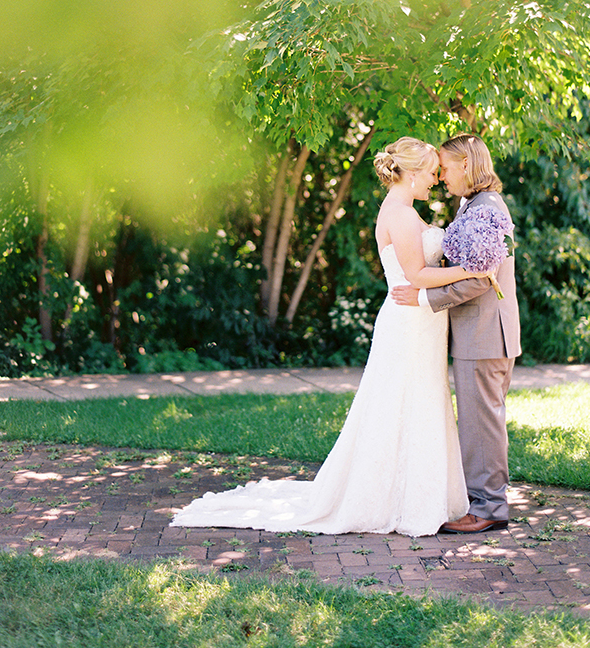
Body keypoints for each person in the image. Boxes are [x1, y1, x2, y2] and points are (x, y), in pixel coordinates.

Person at [171, 137, 489, 537]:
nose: (434, 180)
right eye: (429, 173)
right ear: (409, 174)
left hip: (419, 321)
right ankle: (398, 501)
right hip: (409, 323)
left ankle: (415, 496)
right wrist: (474, 270)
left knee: (414, 403)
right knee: (401, 404)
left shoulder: (402, 210)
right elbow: (418, 277)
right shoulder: (403, 216)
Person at [392, 133, 521, 533]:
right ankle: (485, 502)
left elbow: (482, 279)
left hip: (484, 333)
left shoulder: (486, 210)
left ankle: (487, 509)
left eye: (445, 168)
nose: (441, 177)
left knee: (481, 424)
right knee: (481, 421)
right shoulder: (477, 207)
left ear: (465, 164)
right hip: (483, 333)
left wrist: (424, 299)